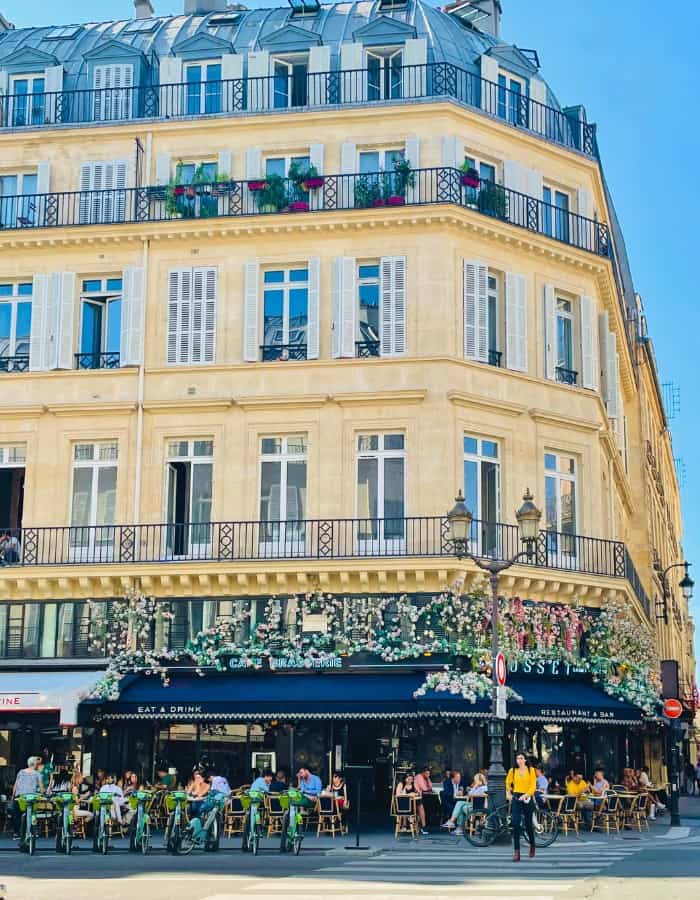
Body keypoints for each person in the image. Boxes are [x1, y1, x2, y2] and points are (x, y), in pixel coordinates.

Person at [506, 752, 537, 862]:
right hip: (516, 797)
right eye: (517, 758)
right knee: (515, 823)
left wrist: (526, 795)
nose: (519, 760)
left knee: (528, 825)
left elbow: (533, 786)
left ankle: (532, 845)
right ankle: (516, 852)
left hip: (527, 798)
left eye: (521, 758)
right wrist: (508, 793)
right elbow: (508, 783)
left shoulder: (531, 770)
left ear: (525, 760)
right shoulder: (512, 770)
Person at [10, 756, 43, 837]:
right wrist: (42, 793)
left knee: (17, 814)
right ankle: (32, 830)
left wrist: (13, 796)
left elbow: (16, 784)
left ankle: (16, 833)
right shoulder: (37, 773)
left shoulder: (21, 772)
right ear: (35, 764)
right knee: (32, 813)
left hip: (20, 796)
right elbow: (41, 787)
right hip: (31, 797)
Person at [413, 765, 433, 835]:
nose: (428, 775)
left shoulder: (425, 778)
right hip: (415, 797)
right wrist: (428, 787)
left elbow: (430, 786)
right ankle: (423, 826)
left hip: (421, 796)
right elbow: (425, 789)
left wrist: (428, 779)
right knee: (422, 806)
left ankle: (424, 824)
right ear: (423, 773)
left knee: (432, 803)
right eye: (427, 774)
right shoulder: (419, 777)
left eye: (429, 774)